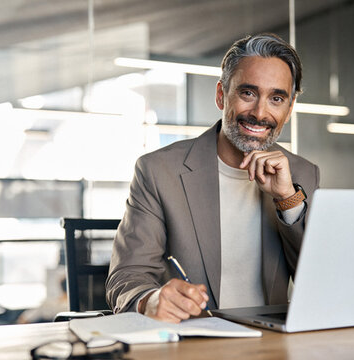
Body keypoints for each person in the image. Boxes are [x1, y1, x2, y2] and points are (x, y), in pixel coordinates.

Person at [106, 33, 320, 323]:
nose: (260, 113)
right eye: (248, 93)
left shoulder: (302, 174)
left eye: (276, 99)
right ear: (221, 94)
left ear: (289, 108)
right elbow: (127, 276)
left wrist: (288, 200)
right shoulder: (158, 171)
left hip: (271, 343)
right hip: (194, 341)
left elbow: (319, 279)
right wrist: (150, 300)